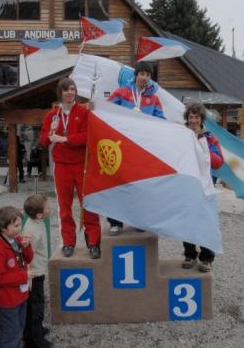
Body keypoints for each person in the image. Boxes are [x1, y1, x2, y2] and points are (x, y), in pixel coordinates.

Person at [39, 78, 101, 259]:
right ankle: (68, 242)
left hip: (81, 165)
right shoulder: (52, 115)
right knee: (64, 207)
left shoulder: (83, 111)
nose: (69, 93)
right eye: (66, 90)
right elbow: (42, 140)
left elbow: (87, 137)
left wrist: (65, 139)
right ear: (61, 93)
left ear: (76, 92)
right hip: (62, 166)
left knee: (88, 204)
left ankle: (93, 242)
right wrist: (50, 136)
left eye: (72, 89)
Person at [107, 61, 165, 235]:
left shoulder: (154, 99)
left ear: (150, 78)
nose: (144, 78)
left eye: (147, 75)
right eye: (142, 74)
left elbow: (161, 120)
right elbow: (106, 110)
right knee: (118, 184)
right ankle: (115, 222)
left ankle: (139, 220)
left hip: (142, 149)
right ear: (136, 75)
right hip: (122, 146)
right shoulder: (122, 92)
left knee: (141, 185)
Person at [182, 102, 223, 273]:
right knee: (187, 219)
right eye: (190, 117)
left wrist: (204, 148)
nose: (193, 120)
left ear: (201, 118)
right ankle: (190, 254)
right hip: (185, 183)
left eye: (196, 117)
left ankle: (206, 258)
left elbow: (218, 162)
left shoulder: (210, 137)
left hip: (205, 185)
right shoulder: (180, 134)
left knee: (206, 220)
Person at [0, 206, 34, 348]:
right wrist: (23, 276)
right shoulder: (0, 249)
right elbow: (0, 278)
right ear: (3, 228)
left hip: (21, 295)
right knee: (9, 334)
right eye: (16, 225)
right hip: (7, 300)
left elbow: (29, 259)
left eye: (20, 224)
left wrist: (26, 246)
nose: (19, 229)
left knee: (19, 328)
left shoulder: (17, 239)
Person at [23, 194, 52, 348]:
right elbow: (27, 256)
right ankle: (34, 340)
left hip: (39, 270)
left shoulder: (37, 220)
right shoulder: (32, 231)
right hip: (34, 274)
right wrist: (28, 276)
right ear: (40, 214)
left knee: (37, 303)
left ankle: (35, 331)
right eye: (47, 207)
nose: (50, 208)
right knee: (36, 305)